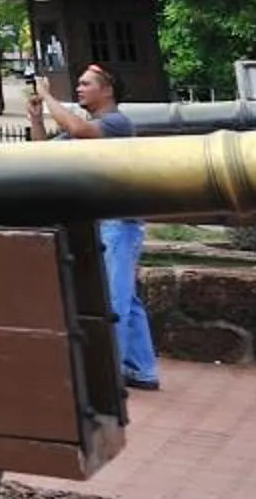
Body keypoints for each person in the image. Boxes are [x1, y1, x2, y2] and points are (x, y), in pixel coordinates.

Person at [28, 61, 161, 391]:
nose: (79, 88)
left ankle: (106, 374)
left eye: (87, 84)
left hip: (119, 223)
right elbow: (43, 153)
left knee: (112, 300)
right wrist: (35, 117)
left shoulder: (116, 123)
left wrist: (46, 95)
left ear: (108, 90)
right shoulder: (91, 125)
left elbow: (78, 131)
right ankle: (142, 369)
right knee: (126, 299)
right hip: (105, 222)